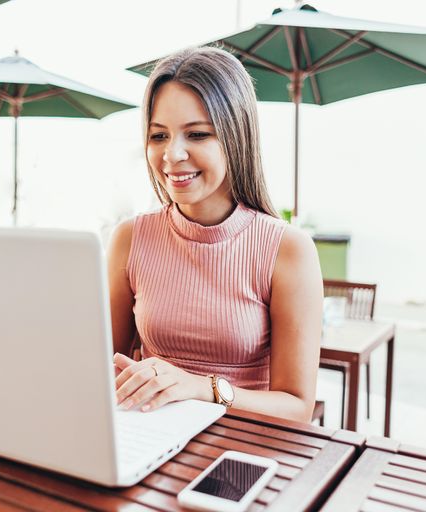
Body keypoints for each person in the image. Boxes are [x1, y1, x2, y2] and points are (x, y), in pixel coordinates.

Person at [108, 47, 323, 423]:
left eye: (197, 134)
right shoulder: (129, 238)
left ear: (235, 137)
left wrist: (201, 388)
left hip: (241, 447)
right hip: (146, 439)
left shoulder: (287, 249)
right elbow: (102, 367)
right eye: (159, 136)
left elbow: (297, 408)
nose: (172, 155)